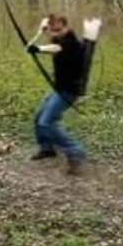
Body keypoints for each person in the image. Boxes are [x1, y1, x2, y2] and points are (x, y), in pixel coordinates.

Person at [26, 14, 87, 174]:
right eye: (52, 30)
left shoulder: (72, 42)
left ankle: (76, 151)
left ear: (66, 27)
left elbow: (56, 48)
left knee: (46, 122)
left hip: (69, 91)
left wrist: (39, 48)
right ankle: (47, 148)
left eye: (58, 30)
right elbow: (50, 40)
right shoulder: (58, 37)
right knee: (39, 117)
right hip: (59, 89)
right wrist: (42, 29)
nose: (54, 33)